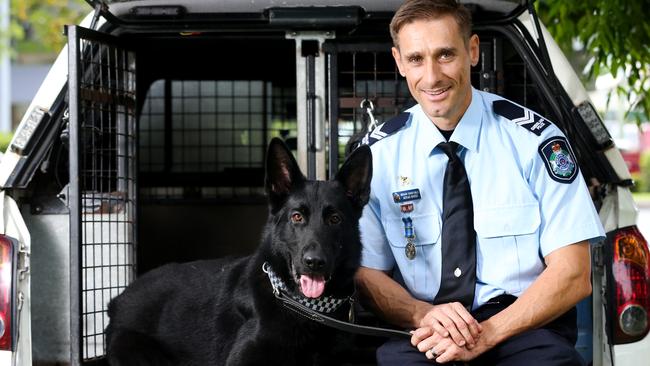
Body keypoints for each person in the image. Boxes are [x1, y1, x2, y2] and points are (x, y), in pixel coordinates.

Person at [354, 0, 605, 365]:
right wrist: (420, 313)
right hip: (425, 328)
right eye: (416, 59)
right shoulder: (378, 156)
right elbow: (364, 273)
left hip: (523, 329)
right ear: (398, 62)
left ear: (472, 51)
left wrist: (486, 334)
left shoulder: (535, 143)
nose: (432, 76)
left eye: (444, 55)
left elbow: (574, 273)